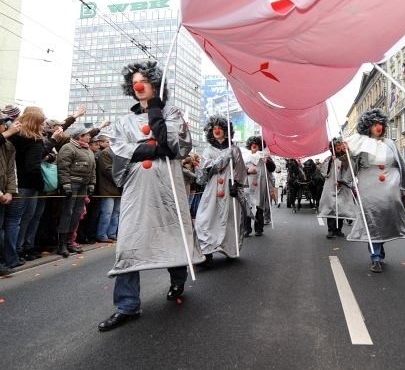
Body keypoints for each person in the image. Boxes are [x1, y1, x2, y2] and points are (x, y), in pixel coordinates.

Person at [98, 60, 203, 332]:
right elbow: (121, 150)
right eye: (134, 81)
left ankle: (177, 280)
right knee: (128, 243)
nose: (139, 85)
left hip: (167, 188)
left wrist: (156, 112)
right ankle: (127, 305)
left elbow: (174, 146)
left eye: (144, 80)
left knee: (173, 235)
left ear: (156, 83)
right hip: (137, 190)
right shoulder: (124, 121)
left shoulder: (173, 113)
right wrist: (153, 149)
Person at [345, 109, 405, 273]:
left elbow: (401, 164)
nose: (379, 127)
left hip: (389, 188)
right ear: (367, 126)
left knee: (383, 220)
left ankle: (379, 249)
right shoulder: (360, 144)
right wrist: (344, 156)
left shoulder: (390, 143)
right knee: (372, 221)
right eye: (375, 124)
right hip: (368, 188)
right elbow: (351, 165)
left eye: (381, 124)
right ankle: (376, 257)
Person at [194, 115, 247, 266]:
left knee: (230, 220)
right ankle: (207, 253)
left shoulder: (235, 149)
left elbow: (240, 169)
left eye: (220, 127)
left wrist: (235, 184)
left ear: (226, 130)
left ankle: (230, 249)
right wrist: (223, 158)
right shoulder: (208, 150)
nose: (217, 130)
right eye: (214, 128)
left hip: (230, 189)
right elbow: (205, 169)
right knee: (206, 219)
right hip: (212, 189)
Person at [4, 110, 46, 268]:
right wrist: (41, 184)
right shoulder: (34, 141)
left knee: (17, 221)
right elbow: (32, 167)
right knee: (17, 221)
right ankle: (15, 253)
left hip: (14, 183)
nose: (44, 125)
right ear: (35, 122)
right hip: (25, 185)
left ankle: (17, 251)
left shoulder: (14, 137)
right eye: (41, 122)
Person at [56, 126, 96, 257]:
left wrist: (91, 183)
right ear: (79, 136)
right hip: (72, 184)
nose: (89, 137)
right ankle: (61, 244)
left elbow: (92, 169)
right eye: (87, 135)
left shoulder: (87, 149)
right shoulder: (68, 147)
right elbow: (63, 167)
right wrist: (66, 184)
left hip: (83, 185)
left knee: (77, 213)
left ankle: (69, 242)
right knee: (67, 213)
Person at [317, 138, 357, 239]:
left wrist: (342, 181)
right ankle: (331, 230)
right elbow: (324, 173)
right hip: (331, 186)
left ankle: (338, 230)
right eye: (336, 145)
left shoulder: (346, 158)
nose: (338, 147)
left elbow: (351, 169)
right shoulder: (329, 159)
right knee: (331, 208)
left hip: (342, 187)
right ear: (332, 148)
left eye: (339, 145)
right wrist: (332, 160)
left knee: (341, 208)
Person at [243, 136, 275, 236]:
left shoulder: (264, 155)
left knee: (259, 207)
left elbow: (272, 168)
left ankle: (259, 228)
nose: (254, 145)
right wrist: (247, 171)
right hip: (248, 184)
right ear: (249, 146)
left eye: (256, 143)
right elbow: (239, 170)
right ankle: (246, 229)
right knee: (247, 206)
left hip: (260, 184)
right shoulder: (245, 157)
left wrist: (267, 162)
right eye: (252, 143)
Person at [0, 113, 19, 275]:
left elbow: (11, 171)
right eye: (3, 124)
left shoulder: (8, 145)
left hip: (4, 192)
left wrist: (9, 191)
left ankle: (3, 261)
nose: (6, 126)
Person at [95, 134, 121, 243]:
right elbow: (107, 170)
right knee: (107, 212)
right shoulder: (105, 153)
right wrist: (122, 176)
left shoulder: (118, 153)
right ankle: (102, 234)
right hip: (107, 188)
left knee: (116, 212)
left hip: (117, 187)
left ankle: (112, 233)